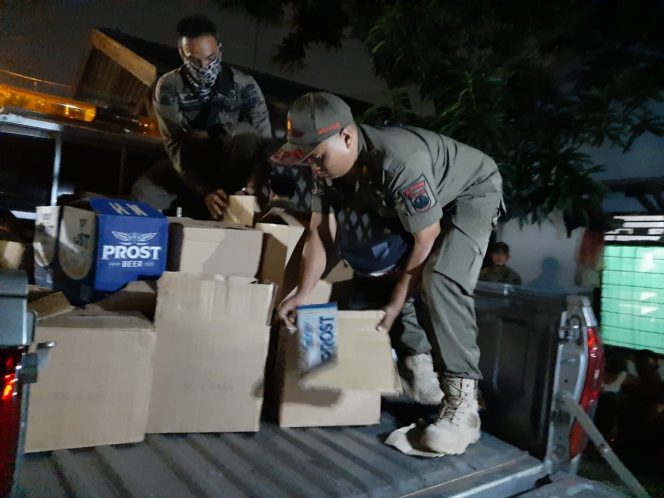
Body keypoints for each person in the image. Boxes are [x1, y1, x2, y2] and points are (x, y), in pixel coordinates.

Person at [274, 92, 504, 455]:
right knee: (375, 264)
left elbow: (425, 239)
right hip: (424, 201)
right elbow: (320, 233)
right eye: (307, 160)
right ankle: (418, 368)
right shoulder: (329, 169)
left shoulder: (398, 161)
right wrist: (302, 293)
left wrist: (396, 305)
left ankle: (464, 405)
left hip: (471, 192)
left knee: (441, 277)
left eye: (317, 158)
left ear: (347, 138)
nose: (313, 168)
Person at [131, 15, 272, 219]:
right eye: (195, 60)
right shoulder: (168, 87)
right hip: (192, 163)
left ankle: (233, 199)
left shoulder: (244, 85)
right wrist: (203, 189)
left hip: (232, 163)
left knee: (246, 134)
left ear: (219, 50)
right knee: (145, 191)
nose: (205, 66)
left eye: (211, 58)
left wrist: (256, 181)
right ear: (182, 54)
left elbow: (264, 140)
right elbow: (175, 145)